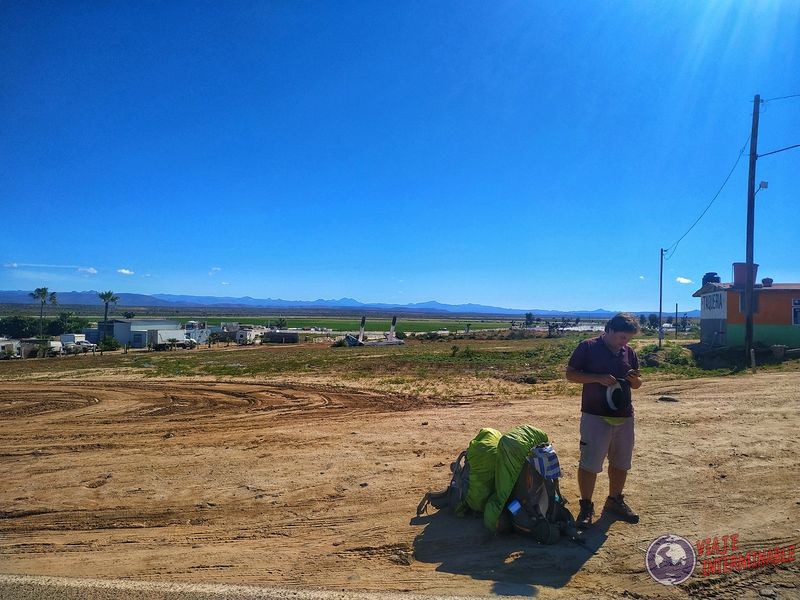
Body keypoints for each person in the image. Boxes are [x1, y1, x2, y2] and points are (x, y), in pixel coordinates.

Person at [565, 313, 642, 529]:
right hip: (595, 415)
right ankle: (586, 506)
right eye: (621, 337)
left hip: (624, 416)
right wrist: (597, 378)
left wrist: (636, 381)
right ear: (608, 330)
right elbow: (570, 375)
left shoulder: (629, 352)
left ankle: (614, 500)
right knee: (590, 462)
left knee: (621, 462)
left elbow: (637, 384)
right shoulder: (588, 347)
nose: (624, 343)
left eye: (627, 339)